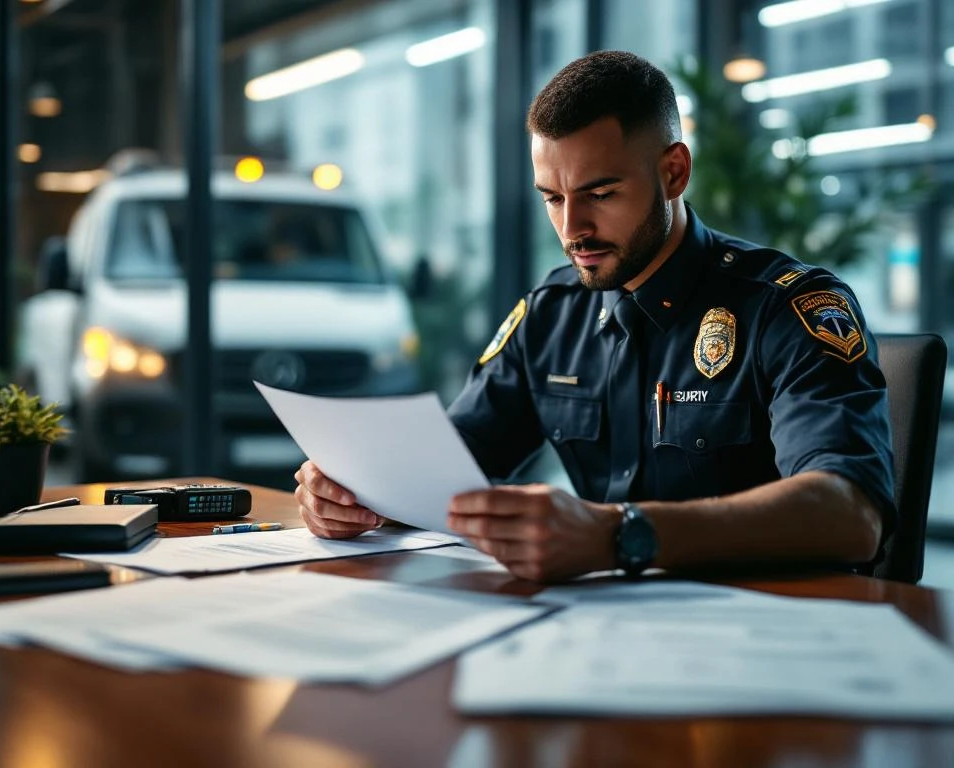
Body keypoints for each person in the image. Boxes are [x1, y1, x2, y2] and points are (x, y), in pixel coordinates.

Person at [294, 50, 895, 583]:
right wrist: (358, 492)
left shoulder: (787, 306)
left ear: (674, 172)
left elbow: (851, 514)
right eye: (553, 198)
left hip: (765, 638)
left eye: (600, 194)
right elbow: (449, 469)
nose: (571, 229)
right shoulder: (551, 315)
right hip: (592, 631)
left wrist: (619, 534)